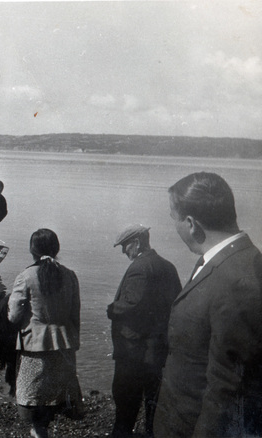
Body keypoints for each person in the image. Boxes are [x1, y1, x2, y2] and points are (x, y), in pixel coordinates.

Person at [154, 172, 262, 438]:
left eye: (174, 218)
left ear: (191, 224)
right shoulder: (226, 261)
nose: (175, 227)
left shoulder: (238, 280)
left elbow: (227, 392)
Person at [107, 224, 182, 437]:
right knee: (154, 402)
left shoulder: (139, 267)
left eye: (125, 246)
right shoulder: (168, 266)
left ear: (137, 243)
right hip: (158, 348)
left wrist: (111, 309)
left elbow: (131, 304)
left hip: (134, 350)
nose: (123, 251)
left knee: (125, 402)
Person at [7, 228, 82, 438]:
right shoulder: (70, 275)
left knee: (34, 396)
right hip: (64, 345)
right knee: (56, 396)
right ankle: (43, 430)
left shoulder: (26, 276)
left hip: (35, 347)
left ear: (33, 251)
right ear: (56, 249)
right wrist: (74, 341)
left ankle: (40, 432)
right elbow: (75, 314)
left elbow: (13, 316)